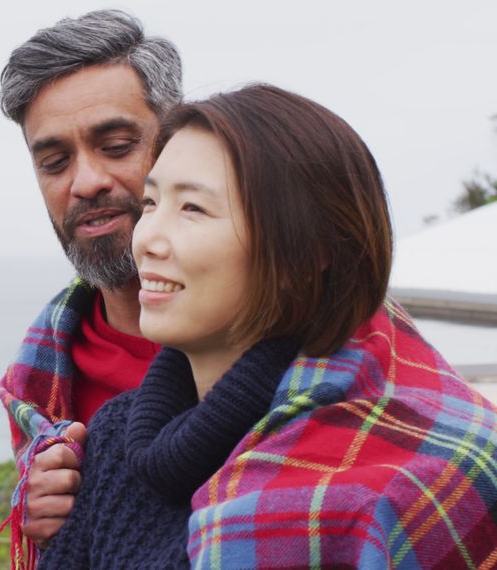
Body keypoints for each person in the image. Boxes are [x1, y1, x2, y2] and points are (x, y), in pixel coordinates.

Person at [37, 83, 497, 568]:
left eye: (192, 208)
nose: (147, 238)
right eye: (150, 204)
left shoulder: (391, 482)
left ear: (307, 254)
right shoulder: (113, 438)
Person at [0, 9, 182, 567]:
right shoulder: (39, 379)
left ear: (176, 141)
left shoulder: (298, 321)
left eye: (118, 146)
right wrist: (42, 515)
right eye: (54, 161)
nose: (86, 182)